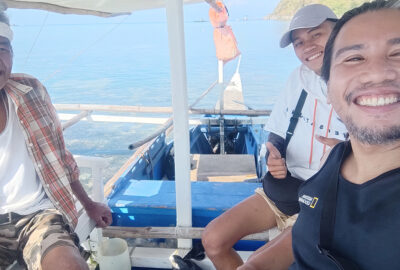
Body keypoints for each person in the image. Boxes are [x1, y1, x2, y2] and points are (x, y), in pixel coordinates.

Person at [202, 4, 347, 270]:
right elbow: (278, 132)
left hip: (325, 203)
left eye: (317, 35)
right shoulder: (298, 79)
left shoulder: (361, 84)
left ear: (340, 33)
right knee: (212, 239)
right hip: (284, 191)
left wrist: (346, 152)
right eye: (299, 42)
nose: (308, 46)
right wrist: (273, 156)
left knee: (254, 266)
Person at [291, 0, 400, 269]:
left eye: (399, 53)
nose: (376, 73)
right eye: (354, 58)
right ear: (328, 88)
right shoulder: (337, 158)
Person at [0, 11, 112, 270]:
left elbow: (60, 156)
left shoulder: (31, 92)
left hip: (38, 216)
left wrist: (88, 204)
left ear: (12, 55)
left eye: (3, 48)